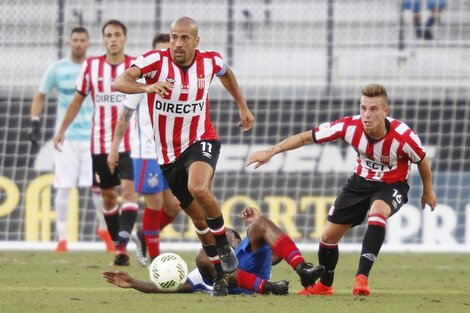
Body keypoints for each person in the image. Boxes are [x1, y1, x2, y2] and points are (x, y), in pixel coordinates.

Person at [246, 83, 437, 296]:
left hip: (392, 185)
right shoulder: (349, 127)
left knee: (377, 213)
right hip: (359, 183)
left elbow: (422, 161)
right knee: (328, 238)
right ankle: (325, 286)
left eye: (373, 109)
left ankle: (361, 278)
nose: (366, 114)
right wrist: (271, 152)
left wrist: (427, 191)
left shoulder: (404, 137)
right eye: (363, 108)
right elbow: (306, 137)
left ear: (386, 112)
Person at [112, 16, 255, 295]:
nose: (177, 43)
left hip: (202, 138)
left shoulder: (209, 60)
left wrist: (242, 106)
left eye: (184, 38)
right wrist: (146, 87)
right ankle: (220, 278)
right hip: (168, 156)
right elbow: (120, 82)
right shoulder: (156, 61)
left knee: (198, 187)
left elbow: (226, 73)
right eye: (174, 37)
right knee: (198, 221)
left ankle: (225, 249)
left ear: (196, 41)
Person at [53, 20, 139, 266]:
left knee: (129, 192)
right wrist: (62, 130)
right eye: (109, 35)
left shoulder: (135, 66)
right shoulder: (91, 67)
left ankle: (122, 245)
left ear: (124, 38)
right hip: (99, 143)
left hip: (130, 143)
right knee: (109, 197)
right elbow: (77, 101)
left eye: (117, 35)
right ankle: (119, 247)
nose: (113, 39)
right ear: (103, 40)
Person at [102, 206, 325, 295]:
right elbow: (171, 286)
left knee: (261, 223)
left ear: (238, 242)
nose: (221, 236)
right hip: (250, 287)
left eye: (227, 234)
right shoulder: (204, 263)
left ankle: (303, 268)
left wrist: (257, 221)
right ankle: (266, 287)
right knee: (204, 255)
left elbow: (278, 250)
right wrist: (134, 284)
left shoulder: (249, 248)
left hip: (257, 278)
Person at [28, 26, 114, 253]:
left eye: (82, 40)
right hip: (65, 138)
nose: (78, 43)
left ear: (88, 43)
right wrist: (35, 120)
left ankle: (104, 230)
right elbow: (40, 95)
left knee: (98, 187)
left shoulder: (96, 68)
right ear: (69, 42)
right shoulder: (57, 69)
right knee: (63, 187)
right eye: (75, 40)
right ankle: (62, 238)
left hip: (93, 136)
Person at [107, 33, 181, 266]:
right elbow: (124, 118)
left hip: (171, 152)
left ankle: (142, 235)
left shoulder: (178, 81)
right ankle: (157, 261)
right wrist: (114, 148)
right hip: (147, 153)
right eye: (157, 52)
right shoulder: (143, 85)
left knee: (175, 206)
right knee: (155, 203)